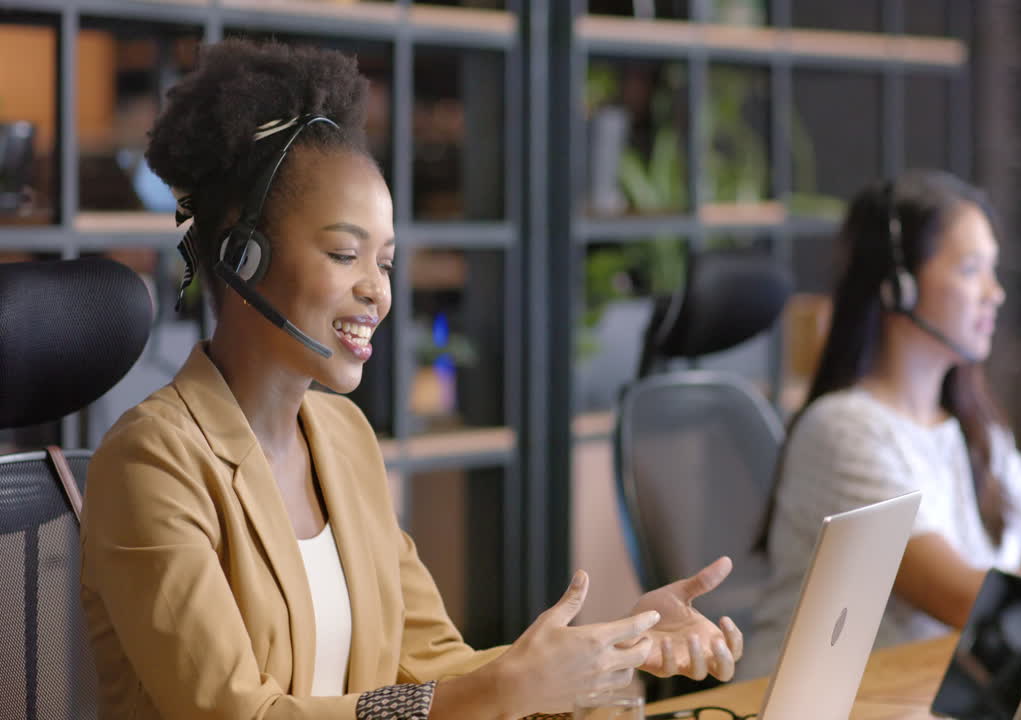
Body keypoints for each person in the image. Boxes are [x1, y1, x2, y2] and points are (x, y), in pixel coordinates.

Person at [79, 38, 742, 720]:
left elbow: (439, 670)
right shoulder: (152, 461)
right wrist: (492, 693)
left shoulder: (342, 439)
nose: (377, 293)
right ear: (240, 255)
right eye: (345, 254)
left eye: (387, 263)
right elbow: (237, 714)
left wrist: (617, 648)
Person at [739, 170, 1021, 679]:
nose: (996, 293)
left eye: (993, 270)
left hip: (924, 696)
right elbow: (962, 598)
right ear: (899, 289)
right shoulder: (843, 430)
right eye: (972, 269)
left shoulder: (975, 431)